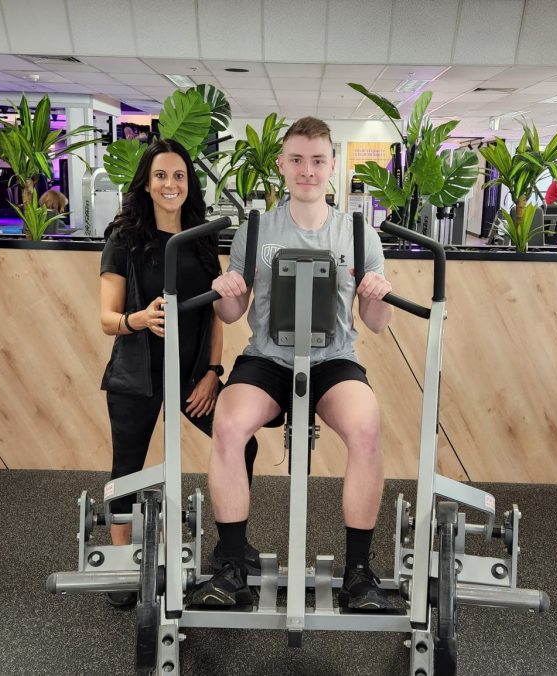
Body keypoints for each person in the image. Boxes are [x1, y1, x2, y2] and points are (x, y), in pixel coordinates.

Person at [186, 117, 406, 611]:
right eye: (298, 160)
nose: (307, 170)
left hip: (332, 361)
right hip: (267, 359)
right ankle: (231, 570)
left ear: (333, 166)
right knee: (227, 424)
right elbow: (231, 312)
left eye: (318, 160)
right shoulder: (257, 228)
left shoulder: (357, 231)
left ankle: (358, 573)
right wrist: (225, 290)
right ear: (283, 165)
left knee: (367, 428)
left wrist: (379, 294)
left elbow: (375, 322)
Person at [98, 139, 260, 606]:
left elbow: (214, 313)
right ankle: (122, 563)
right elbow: (106, 318)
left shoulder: (202, 236)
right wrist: (138, 319)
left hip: (192, 374)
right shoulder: (124, 239)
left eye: (179, 176)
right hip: (138, 372)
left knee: (243, 442)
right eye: (162, 176)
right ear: (146, 184)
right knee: (126, 468)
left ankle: (230, 546)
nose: (171, 184)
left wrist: (213, 371)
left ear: (189, 185)